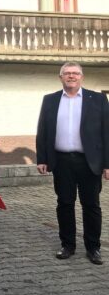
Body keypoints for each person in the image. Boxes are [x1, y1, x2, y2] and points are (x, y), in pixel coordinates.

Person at [36, 62, 109, 265]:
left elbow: (107, 133)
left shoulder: (98, 99)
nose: (71, 76)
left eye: (75, 73)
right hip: (61, 161)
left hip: (89, 162)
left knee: (91, 205)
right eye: (67, 73)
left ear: (81, 77)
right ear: (60, 77)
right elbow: (42, 130)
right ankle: (67, 245)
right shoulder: (50, 100)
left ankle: (93, 248)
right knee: (65, 204)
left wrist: (107, 164)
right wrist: (42, 158)